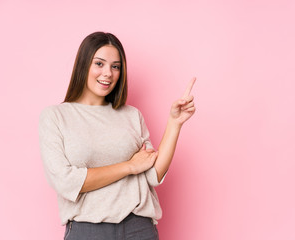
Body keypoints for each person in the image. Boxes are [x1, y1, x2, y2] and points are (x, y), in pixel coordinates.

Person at [39, 32, 196, 240]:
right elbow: (66, 182)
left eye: (115, 66)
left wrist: (174, 123)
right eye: (99, 64)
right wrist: (129, 166)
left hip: (139, 228)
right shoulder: (56, 117)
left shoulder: (131, 115)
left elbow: (152, 175)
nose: (108, 73)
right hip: (87, 230)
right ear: (83, 64)